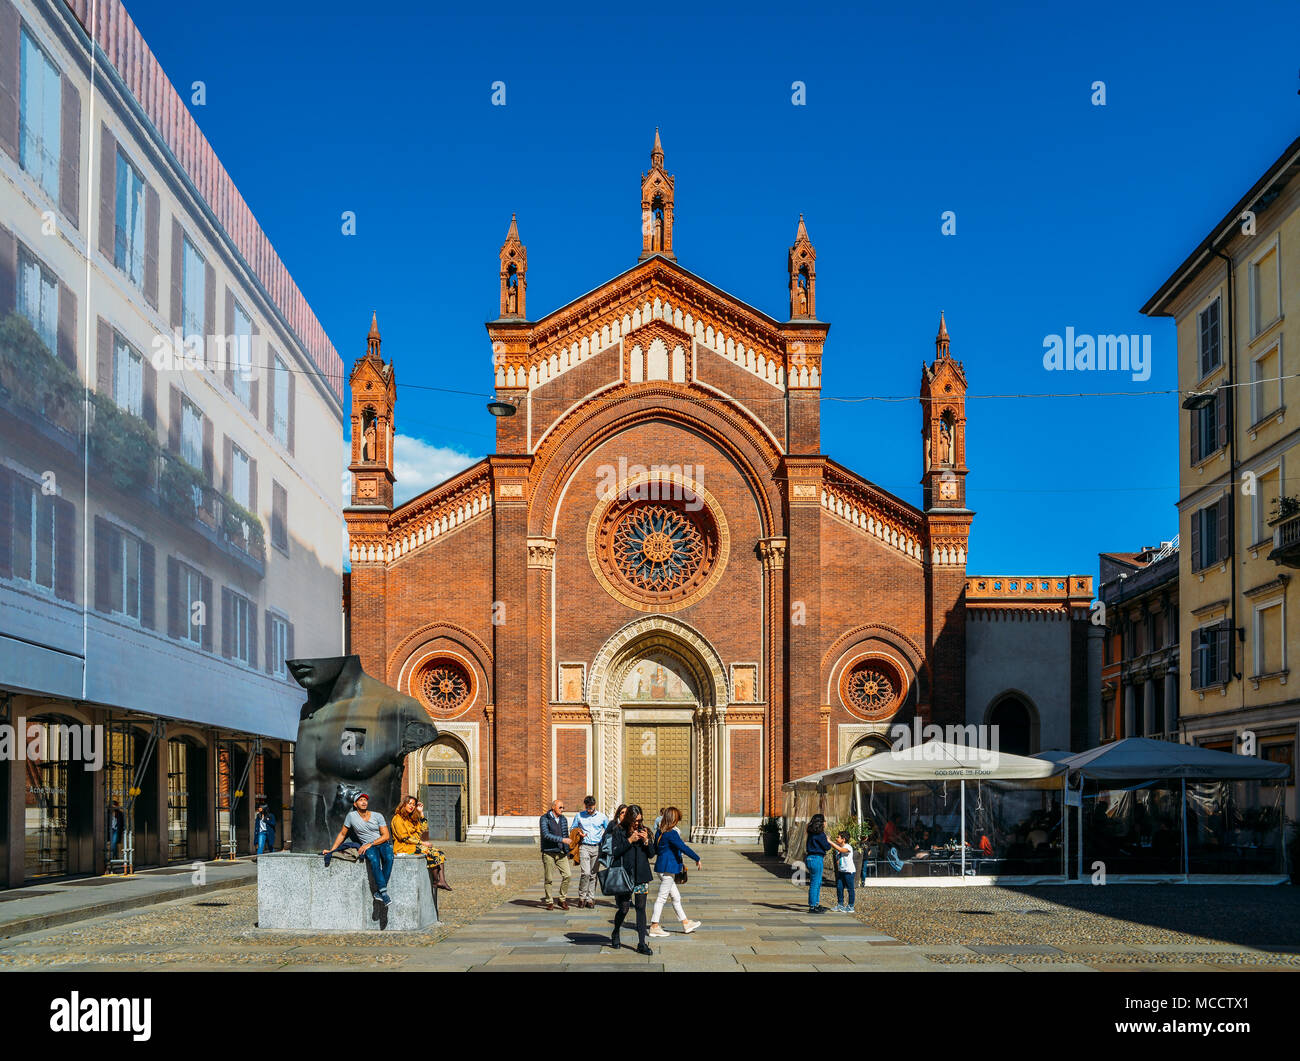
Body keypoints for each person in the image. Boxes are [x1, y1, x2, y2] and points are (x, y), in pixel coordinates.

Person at [323, 793, 394, 905]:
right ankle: (384, 893)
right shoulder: (351, 817)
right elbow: (342, 834)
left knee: (389, 858)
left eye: (365, 800)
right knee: (374, 861)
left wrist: (370, 843)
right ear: (355, 804)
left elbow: (386, 836)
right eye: (361, 800)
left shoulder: (377, 816)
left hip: (381, 843)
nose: (364, 802)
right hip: (367, 846)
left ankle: (380, 892)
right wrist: (332, 850)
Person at [605, 804, 655, 954]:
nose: (637, 823)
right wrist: (630, 840)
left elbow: (652, 854)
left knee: (641, 908)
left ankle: (641, 943)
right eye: (635, 820)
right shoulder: (618, 831)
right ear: (629, 819)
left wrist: (646, 841)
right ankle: (615, 932)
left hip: (641, 876)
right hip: (624, 875)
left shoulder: (645, 831)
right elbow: (615, 852)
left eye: (640, 820)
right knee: (624, 908)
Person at [648, 806, 701, 937]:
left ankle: (685, 923)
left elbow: (656, 849)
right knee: (661, 898)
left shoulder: (660, 832)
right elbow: (683, 847)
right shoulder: (671, 833)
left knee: (676, 897)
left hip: (663, 867)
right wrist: (697, 858)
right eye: (677, 819)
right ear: (673, 819)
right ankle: (654, 926)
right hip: (668, 868)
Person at [573, 795, 608, 909]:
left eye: (591, 807)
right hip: (584, 847)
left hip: (597, 847)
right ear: (585, 806)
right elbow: (572, 829)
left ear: (595, 805)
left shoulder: (602, 817)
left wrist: (604, 841)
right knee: (586, 873)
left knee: (593, 874)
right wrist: (579, 833)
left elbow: (608, 831)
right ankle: (582, 897)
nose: (589, 809)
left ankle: (590, 898)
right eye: (587, 807)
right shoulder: (579, 816)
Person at [538, 798, 571, 911]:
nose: (562, 809)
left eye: (563, 807)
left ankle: (562, 899)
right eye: (560, 807)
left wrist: (568, 851)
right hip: (549, 852)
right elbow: (546, 835)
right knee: (549, 878)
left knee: (568, 875)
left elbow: (566, 835)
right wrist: (562, 840)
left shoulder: (563, 819)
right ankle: (549, 901)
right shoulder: (544, 818)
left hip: (561, 853)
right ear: (553, 807)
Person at [804, 814, 831, 913]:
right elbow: (827, 847)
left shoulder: (811, 833)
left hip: (809, 858)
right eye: (825, 821)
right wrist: (828, 840)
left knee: (817, 882)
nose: (826, 823)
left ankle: (815, 904)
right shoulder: (821, 834)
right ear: (821, 823)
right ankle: (813, 906)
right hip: (817, 858)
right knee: (815, 883)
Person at [829, 830, 855, 913]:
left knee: (850, 889)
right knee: (839, 888)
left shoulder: (848, 847)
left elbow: (842, 850)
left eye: (838, 837)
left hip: (849, 871)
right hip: (841, 871)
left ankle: (851, 906)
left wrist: (829, 841)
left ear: (843, 839)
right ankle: (840, 904)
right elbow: (838, 859)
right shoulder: (838, 848)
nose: (836, 838)